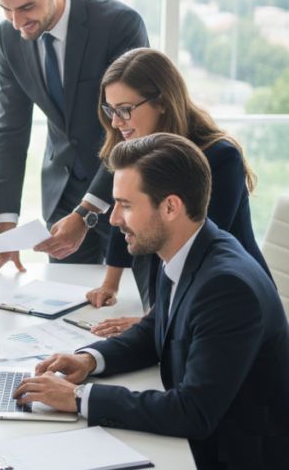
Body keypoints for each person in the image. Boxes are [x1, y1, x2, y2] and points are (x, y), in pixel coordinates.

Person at [11, 133, 289, 470]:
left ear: (171, 207)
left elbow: (193, 412)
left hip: (231, 456)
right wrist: (89, 360)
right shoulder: (184, 250)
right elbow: (157, 327)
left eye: (126, 206)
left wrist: (79, 397)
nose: (113, 219)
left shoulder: (226, 286)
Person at [0, 0, 149, 274]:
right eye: (6, 9)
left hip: (127, 188)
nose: (16, 22)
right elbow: (10, 130)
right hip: (63, 194)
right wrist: (6, 223)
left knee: (132, 300)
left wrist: (89, 210)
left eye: (26, 7)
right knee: (65, 304)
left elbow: (134, 128)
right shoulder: (9, 36)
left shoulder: (118, 25)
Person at [85, 48, 271, 336]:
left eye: (124, 109)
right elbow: (124, 215)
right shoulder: (138, 150)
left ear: (161, 102)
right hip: (177, 291)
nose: (115, 122)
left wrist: (152, 324)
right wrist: (110, 285)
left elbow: (195, 251)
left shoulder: (221, 158)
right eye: (110, 110)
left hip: (228, 297)